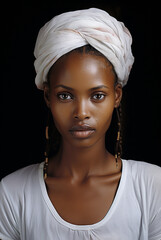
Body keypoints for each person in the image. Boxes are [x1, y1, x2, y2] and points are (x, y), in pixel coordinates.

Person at [0, 8, 161, 240]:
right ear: (47, 96)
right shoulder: (13, 193)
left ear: (116, 96)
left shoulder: (152, 187)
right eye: (65, 96)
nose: (81, 113)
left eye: (97, 96)